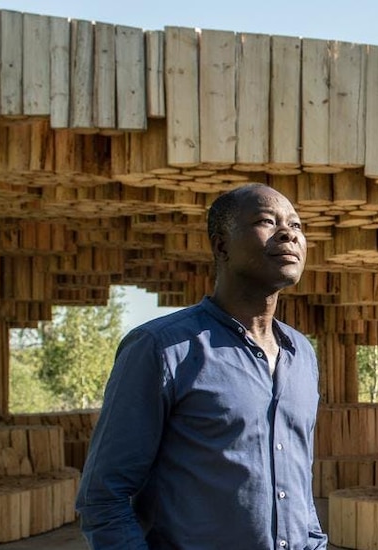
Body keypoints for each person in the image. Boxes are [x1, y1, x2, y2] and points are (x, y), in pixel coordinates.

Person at [76, 184, 327, 550]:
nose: (289, 234)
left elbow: (298, 484)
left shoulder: (301, 354)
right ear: (221, 245)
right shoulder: (161, 348)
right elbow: (103, 497)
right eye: (266, 221)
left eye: (297, 226)